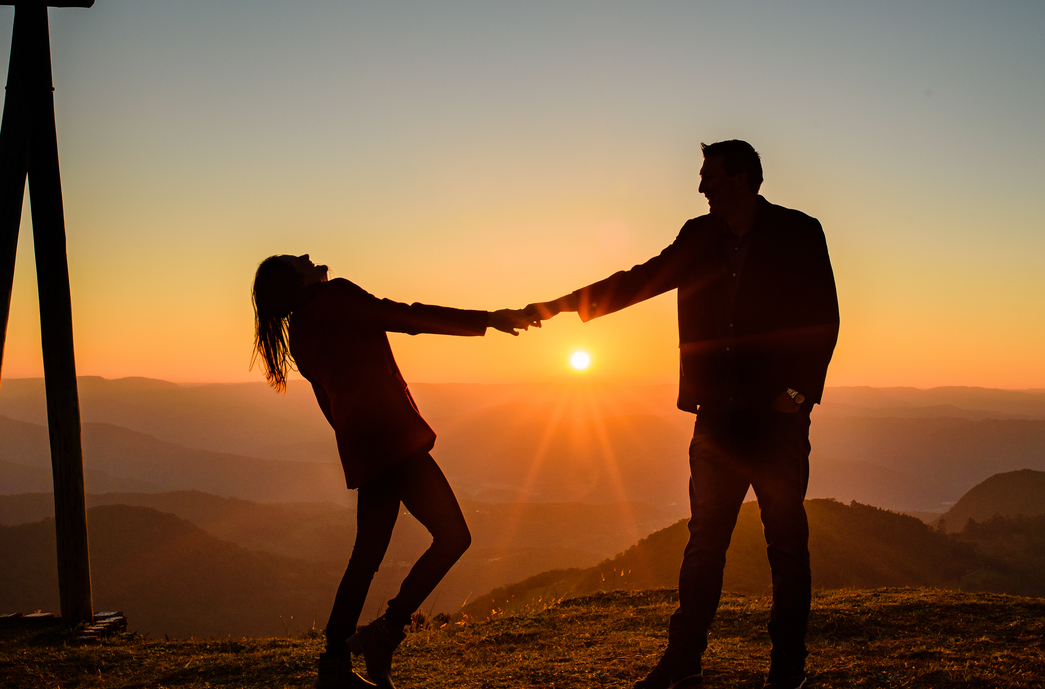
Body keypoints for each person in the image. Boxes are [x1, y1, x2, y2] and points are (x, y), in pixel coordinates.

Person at [527, 140, 838, 689]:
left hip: (776, 420)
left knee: (786, 545)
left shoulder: (798, 231)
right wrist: (558, 307)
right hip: (716, 416)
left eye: (709, 176)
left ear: (741, 178)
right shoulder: (698, 236)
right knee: (704, 544)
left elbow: (824, 316)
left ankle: (787, 668)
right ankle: (683, 661)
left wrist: (796, 396)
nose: (700, 186)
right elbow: (640, 279)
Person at [252, 255, 534, 689]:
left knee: (365, 559)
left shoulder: (300, 333)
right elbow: (405, 316)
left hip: (366, 448)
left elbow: (330, 403)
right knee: (454, 537)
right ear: (295, 278)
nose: (310, 257)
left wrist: (357, 442)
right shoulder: (336, 297)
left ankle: (333, 666)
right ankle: (386, 632)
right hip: (394, 442)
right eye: (299, 260)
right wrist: (487, 319)